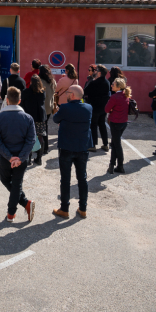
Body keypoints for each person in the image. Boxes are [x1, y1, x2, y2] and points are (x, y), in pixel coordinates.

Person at [0, 87, 36, 222]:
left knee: (6, 181)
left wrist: (10, 157)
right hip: (22, 158)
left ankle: (12, 213)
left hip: (6, 158)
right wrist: (20, 157)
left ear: (6, 100)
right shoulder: (28, 118)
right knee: (16, 184)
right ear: (20, 101)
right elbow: (31, 140)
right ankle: (23, 203)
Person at [52, 85, 92, 219]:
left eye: (68, 93)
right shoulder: (88, 108)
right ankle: (83, 208)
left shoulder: (65, 108)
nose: (67, 95)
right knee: (82, 178)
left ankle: (64, 209)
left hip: (67, 147)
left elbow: (55, 119)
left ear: (73, 95)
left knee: (65, 179)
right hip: (82, 147)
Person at [105, 78, 131, 174]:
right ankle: (113, 166)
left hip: (115, 122)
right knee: (115, 143)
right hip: (123, 122)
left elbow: (107, 109)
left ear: (119, 86)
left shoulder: (114, 97)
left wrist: (111, 110)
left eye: (113, 84)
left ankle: (118, 166)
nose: (111, 85)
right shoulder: (126, 95)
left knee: (116, 145)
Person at [83, 64, 110, 152]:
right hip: (103, 107)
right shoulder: (107, 82)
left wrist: (92, 80)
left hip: (94, 106)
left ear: (99, 73)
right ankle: (105, 144)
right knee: (102, 124)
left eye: (96, 70)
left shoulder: (94, 82)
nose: (94, 72)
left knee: (93, 125)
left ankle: (93, 145)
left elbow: (85, 91)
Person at [21, 75, 46, 165]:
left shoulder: (25, 92)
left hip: (29, 117)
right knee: (40, 137)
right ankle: (39, 158)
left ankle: (29, 158)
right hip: (40, 117)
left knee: (29, 137)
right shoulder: (42, 92)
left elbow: (22, 104)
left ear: (31, 82)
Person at [39, 65, 57, 152]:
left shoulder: (40, 82)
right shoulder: (52, 81)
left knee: (41, 128)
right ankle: (45, 147)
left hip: (41, 107)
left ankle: (43, 147)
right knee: (45, 126)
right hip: (49, 107)